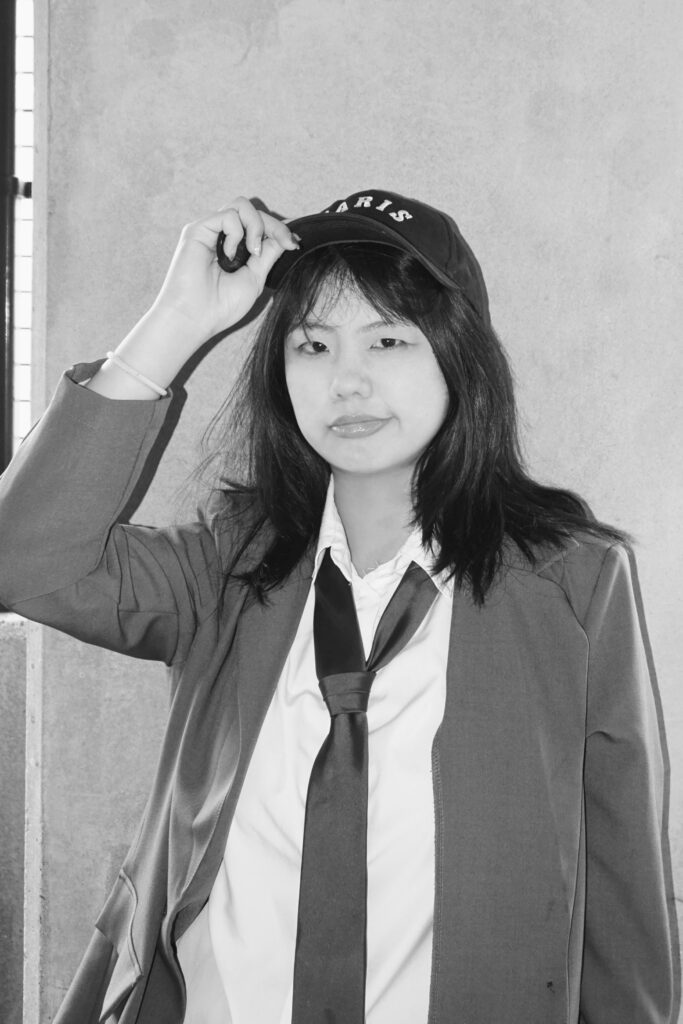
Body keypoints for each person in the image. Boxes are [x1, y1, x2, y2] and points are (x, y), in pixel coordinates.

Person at [0, 190, 674, 1024]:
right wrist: (177, 321)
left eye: (388, 339)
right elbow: (23, 563)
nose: (347, 381)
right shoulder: (225, 565)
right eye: (312, 345)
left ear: (457, 358)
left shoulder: (571, 582)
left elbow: (619, 886)